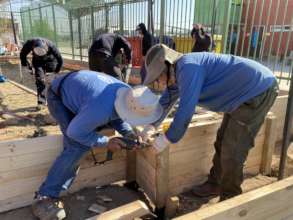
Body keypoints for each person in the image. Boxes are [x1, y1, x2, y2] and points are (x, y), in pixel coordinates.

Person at [141, 44, 278, 201]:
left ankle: (230, 200)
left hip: (257, 90)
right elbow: (166, 102)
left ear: (167, 65)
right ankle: (216, 184)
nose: (159, 82)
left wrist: (167, 138)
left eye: (158, 77)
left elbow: (185, 112)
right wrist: (151, 126)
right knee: (222, 141)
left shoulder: (188, 68)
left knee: (233, 150)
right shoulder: (176, 74)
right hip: (240, 96)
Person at [31, 70, 163, 220]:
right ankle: (44, 197)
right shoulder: (101, 108)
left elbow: (117, 115)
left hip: (79, 92)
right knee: (77, 146)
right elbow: (74, 132)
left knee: (89, 131)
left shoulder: (128, 94)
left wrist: (128, 134)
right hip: (58, 97)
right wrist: (107, 142)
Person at [20, 38, 63, 106]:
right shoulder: (29, 43)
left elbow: (60, 60)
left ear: (46, 48)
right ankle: (41, 102)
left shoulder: (51, 46)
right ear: (33, 48)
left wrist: (56, 72)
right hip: (37, 61)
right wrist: (25, 65)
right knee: (40, 80)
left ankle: (55, 100)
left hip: (50, 60)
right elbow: (23, 54)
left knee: (51, 80)